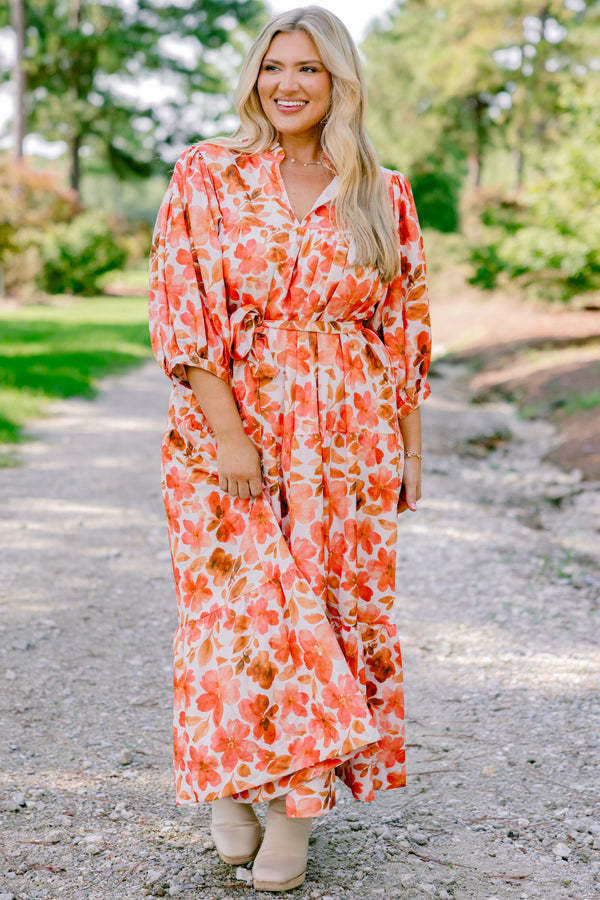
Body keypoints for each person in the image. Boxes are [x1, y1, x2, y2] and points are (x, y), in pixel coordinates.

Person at [149, 5, 431, 893]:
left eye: (308, 68)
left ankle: (294, 812)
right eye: (274, 67)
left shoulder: (380, 190)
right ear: (254, 80)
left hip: (349, 435)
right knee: (237, 612)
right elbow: (183, 311)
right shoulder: (208, 172)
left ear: (338, 80)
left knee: (327, 614)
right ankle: (232, 779)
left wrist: (411, 450)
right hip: (232, 423)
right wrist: (230, 436)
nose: (288, 84)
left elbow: (404, 327)